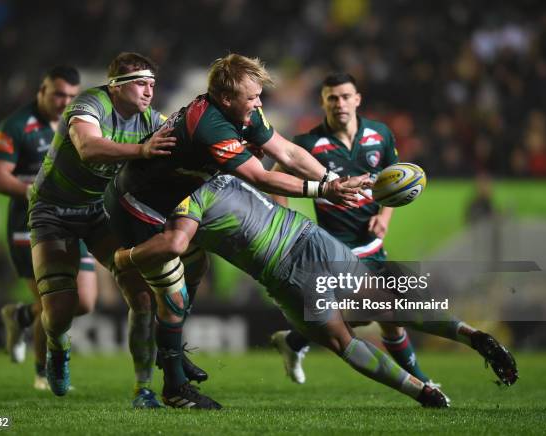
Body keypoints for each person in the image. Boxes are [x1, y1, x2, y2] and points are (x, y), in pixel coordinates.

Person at [104, 53, 368, 409]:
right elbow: (260, 177)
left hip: (173, 202)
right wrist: (321, 191)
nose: (259, 103)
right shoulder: (211, 125)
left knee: (196, 268)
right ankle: (175, 387)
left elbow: (287, 152)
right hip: (139, 210)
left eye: (259, 95)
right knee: (173, 293)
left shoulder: (240, 112)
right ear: (227, 98)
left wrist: (332, 179)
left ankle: (172, 350)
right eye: (252, 97)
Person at [114, 175, 518, 407]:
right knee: (377, 313)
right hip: (301, 249)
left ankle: (433, 378)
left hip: (292, 261)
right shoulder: (208, 185)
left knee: (355, 329)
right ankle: (458, 350)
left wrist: (125, 258)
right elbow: (273, 170)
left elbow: (174, 245)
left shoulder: (202, 188)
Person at [28, 52, 202, 408]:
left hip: (99, 213)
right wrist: (142, 149)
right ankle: (59, 348)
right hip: (53, 211)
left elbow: (186, 153)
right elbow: (88, 148)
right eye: (141, 83)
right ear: (115, 86)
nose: (149, 91)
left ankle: (143, 389)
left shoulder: (153, 121)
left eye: (153, 84)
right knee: (61, 310)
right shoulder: (90, 103)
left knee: (141, 297)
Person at [269, 72, 435, 386]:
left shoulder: (380, 134)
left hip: (371, 243)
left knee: (381, 316)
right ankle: (422, 381)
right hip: (334, 246)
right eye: (332, 97)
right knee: (385, 312)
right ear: (323, 102)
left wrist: (385, 216)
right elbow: (276, 177)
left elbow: (392, 180)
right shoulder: (309, 143)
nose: (340, 103)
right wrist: (284, 220)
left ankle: (294, 341)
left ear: (357, 99)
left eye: (346, 96)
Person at [0, 66, 98, 391]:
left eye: (71, 96)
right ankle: (42, 373)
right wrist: (33, 191)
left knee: (85, 302)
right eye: (58, 94)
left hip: (74, 222)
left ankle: (20, 317)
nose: (64, 102)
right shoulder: (17, 125)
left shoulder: (79, 123)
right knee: (55, 302)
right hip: (30, 226)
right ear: (42, 90)